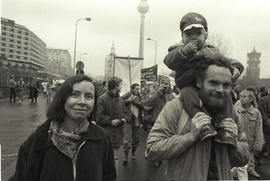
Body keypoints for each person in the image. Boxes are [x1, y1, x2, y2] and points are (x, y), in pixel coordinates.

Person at [146, 52, 250, 180]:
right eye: (213, 82)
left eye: (226, 85)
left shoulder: (231, 114)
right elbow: (152, 150)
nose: (220, 90)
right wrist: (190, 137)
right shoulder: (176, 107)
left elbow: (243, 159)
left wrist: (234, 143)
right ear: (199, 82)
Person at [9, 75, 116, 181]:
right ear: (62, 98)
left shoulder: (101, 139)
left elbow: (109, 176)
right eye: (74, 95)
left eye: (89, 96)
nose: (82, 101)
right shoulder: (40, 139)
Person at [163, 12, 244, 142]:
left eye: (198, 33)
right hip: (188, 84)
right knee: (187, 95)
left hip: (208, 85)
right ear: (182, 37)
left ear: (205, 35)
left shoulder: (210, 50)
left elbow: (224, 60)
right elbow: (169, 62)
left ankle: (227, 128)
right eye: (188, 34)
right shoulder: (177, 50)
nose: (193, 37)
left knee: (225, 96)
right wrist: (184, 51)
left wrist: (236, 67)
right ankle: (204, 126)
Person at [96, 76, 127, 172]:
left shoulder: (121, 100)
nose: (122, 86)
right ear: (115, 86)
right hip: (106, 136)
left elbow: (124, 113)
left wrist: (123, 119)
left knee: (115, 160)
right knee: (104, 161)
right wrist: (110, 121)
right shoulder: (102, 99)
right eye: (120, 84)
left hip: (117, 136)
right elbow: (98, 117)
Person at [233, 90, 264, 179]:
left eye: (244, 97)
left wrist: (258, 143)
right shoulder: (236, 110)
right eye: (240, 97)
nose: (241, 99)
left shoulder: (256, 113)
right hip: (238, 141)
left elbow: (259, 130)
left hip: (250, 142)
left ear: (250, 99)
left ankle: (239, 172)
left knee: (247, 161)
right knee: (241, 164)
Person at [121, 83, 144, 165]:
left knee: (136, 138)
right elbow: (121, 101)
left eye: (138, 88)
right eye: (136, 89)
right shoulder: (127, 94)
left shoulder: (140, 96)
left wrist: (134, 102)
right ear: (132, 89)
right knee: (127, 139)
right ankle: (125, 157)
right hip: (128, 119)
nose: (138, 90)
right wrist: (129, 100)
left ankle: (133, 152)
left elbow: (142, 105)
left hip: (137, 120)